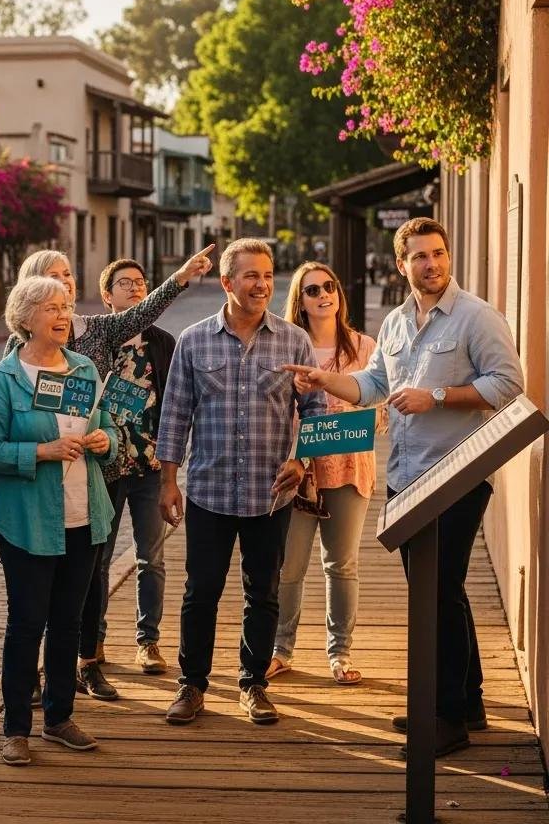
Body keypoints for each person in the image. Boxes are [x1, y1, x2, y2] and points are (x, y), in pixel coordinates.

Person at [284, 217, 524, 756]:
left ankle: (445, 719)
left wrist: (435, 396)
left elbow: (509, 383)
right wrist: (326, 380)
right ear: (401, 265)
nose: (431, 263)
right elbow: (373, 385)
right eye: (419, 256)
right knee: (441, 590)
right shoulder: (394, 322)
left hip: (456, 474)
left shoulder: (475, 317)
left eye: (438, 253)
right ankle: (470, 701)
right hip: (406, 479)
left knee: (437, 593)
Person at [6, 244, 214, 700]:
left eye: (68, 276)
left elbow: (144, 312)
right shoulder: (16, 352)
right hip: (40, 482)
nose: (66, 283)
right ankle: (37, 677)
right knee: (39, 587)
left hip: (95, 472)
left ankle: (87, 662)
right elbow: (0, 426)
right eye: (54, 277)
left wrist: (179, 277)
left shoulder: (95, 333)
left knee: (89, 571)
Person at [157, 238, 326, 727]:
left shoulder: (294, 340)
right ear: (227, 283)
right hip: (208, 491)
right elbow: (174, 415)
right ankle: (192, 685)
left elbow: (314, 410)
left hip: (270, 493)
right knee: (200, 591)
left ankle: (254, 685)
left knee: (264, 592)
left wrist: (303, 461)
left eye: (268, 275)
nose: (262, 284)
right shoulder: (193, 340)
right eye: (251, 275)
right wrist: (170, 483)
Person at [0, 277, 118, 766]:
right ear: (26, 317)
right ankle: (16, 728)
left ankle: (59, 719)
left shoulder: (83, 369)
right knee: (26, 624)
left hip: (85, 516)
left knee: (68, 624)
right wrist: (41, 451)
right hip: (28, 524)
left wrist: (105, 442)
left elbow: (108, 430)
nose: (64, 315)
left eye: (67, 307)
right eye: (53, 307)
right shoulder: (5, 378)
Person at [267, 262, 378, 686]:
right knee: (289, 566)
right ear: (301, 300)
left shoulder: (364, 348)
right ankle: (281, 650)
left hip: (349, 467)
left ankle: (340, 652)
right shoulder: (288, 348)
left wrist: (357, 414)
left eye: (329, 286)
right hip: (298, 470)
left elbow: (380, 410)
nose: (323, 294)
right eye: (312, 290)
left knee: (342, 565)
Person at [91, 259, 174, 677]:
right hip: (103, 468)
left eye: (141, 283)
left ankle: (149, 641)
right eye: (125, 284)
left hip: (149, 466)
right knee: (98, 560)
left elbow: (176, 405)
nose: (135, 289)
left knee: (151, 558)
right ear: (107, 296)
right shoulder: (96, 339)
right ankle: (96, 639)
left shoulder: (162, 343)